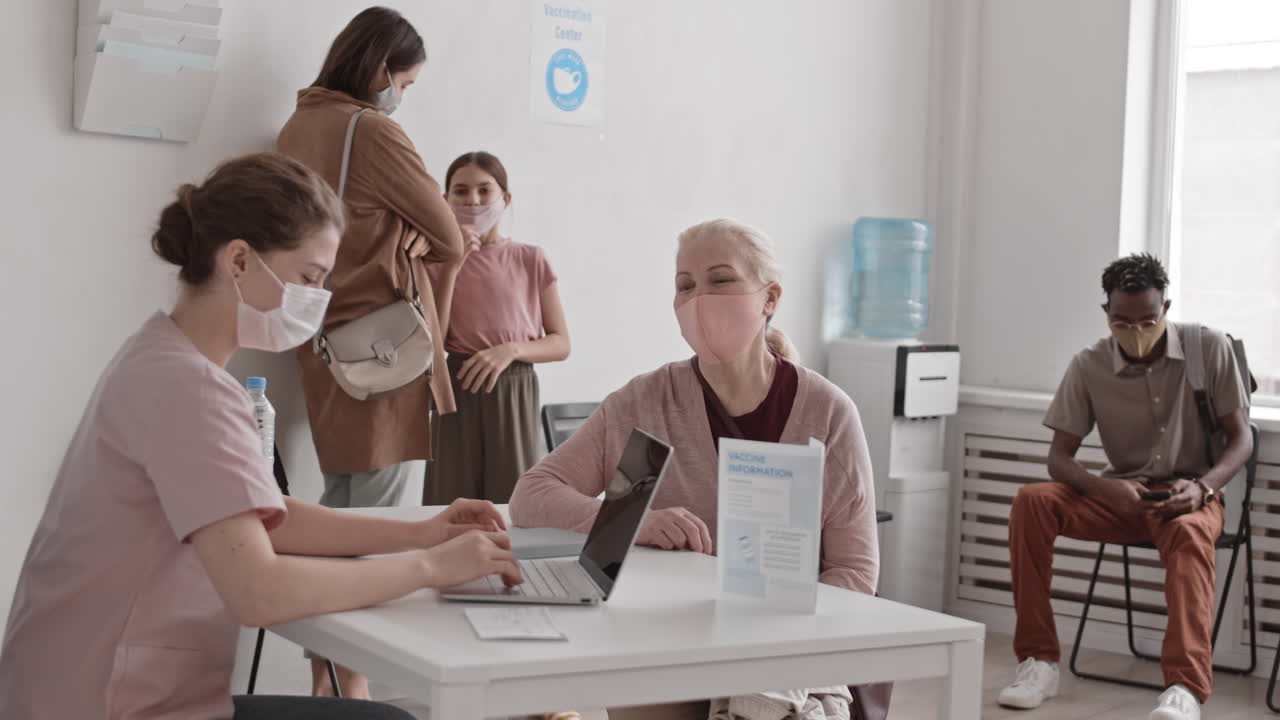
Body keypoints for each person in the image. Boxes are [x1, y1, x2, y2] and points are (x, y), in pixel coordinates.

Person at [0, 154, 521, 720]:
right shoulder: (189, 389)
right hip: (107, 703)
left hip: (69, 686)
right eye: (310, 277)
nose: (317, 299)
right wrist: (433, 569)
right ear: (241, 260)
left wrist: (424, 533)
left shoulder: (161, 356)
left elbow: (261, 514)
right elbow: (259, 591)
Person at [509, 218, 880, 719]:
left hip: (785, 649)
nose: (699, 298)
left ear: (769, 298)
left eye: (721, 280)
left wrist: (776, 633)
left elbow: (855, 573)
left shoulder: (826, 413)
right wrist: (632, 520)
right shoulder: (648, 403)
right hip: (671, 639)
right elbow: (533, 493)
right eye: (685, 285)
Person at [276, 7, 471, 696]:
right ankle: (352, 697)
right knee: (383, 529)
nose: (403, 96)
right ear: (381, 68)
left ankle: (331, 691)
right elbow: (450, 236)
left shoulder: (296, 127)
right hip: (387, 351)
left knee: (339, 520)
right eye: (406, 82)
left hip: (325, 348)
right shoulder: (374, 130)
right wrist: (411, 244)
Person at [998, 253, 1252, 720]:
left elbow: (1242, 439)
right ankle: (1038, 661)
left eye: (1147, 320)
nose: (1136, 331)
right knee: (1031, 502)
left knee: (1192, 533)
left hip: (1189, 499)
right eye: (1122, 321)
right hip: (1121, 498)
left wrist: (1203, 489)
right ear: (1106, 314)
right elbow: (1059, 458)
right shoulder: (1089, 364)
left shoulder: (1208, 348)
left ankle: (1184, 690)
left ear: (1166, 308)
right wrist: (1103, 489)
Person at [425, 151, 571, 505]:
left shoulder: (530, 258)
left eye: (483, 190)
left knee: (513, 502)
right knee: (451, 500)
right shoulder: (435, 263)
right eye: (460, 191)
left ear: (504, 199)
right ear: (445, 200)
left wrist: (510, 350)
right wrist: (452, 266)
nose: (472, 200)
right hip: (457, 387)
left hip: (514, 387)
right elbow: (436, 340)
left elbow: (561, 342)